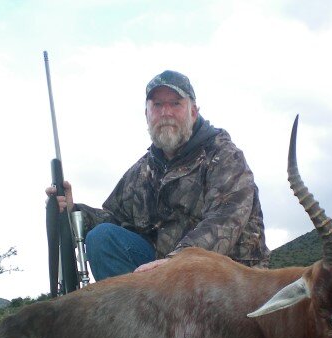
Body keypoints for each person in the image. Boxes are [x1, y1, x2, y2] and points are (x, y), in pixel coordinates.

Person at [46, 70, 269, 281]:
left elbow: (226, 220)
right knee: (102, 238)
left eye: (175, 104)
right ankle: (136, 319)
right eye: (158, 105)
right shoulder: (141, 172)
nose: (166, 113)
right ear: (147, 114)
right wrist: (74, 212)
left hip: (227, 281)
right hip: (166, 284)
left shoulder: (225, 157)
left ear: (193, 112)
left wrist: (176, 262)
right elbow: (114, 220)